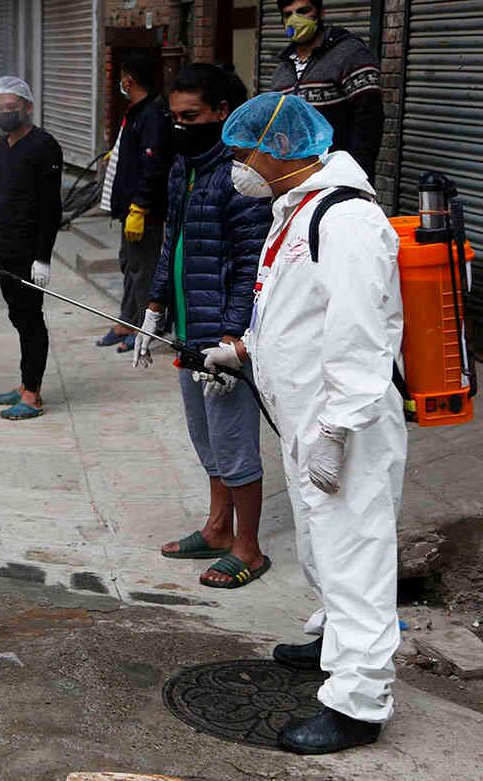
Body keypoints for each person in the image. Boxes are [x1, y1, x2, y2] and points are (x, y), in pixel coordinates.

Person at [213, 92, 405, 754]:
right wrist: (241, 351)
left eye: (242, 153)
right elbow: (297, 314)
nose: (237, 166)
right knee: (324, 545)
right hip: (308, 419)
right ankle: (333, 640)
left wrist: (338, 429)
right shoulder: (297, 211)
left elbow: (360, 336)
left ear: (276, 148)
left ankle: (359, 701)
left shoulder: (346, 221)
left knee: (357, 554)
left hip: (340, 425)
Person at [132, 64, 273, 589]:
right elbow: (172, 241)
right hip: (188, 327)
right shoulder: (183, 166)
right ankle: (217, 528)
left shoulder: (241, 176)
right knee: (205, 436)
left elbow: (251, 262)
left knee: (234, 440)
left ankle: (249, 547)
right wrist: (154, 306)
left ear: (221, 113)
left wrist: (237, 337)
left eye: (190, 117)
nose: (179, 126)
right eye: (173, 117)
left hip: (223, 335)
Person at [0, 76, 62, 420]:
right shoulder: (2, 148)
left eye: (11, 108)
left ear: (28, 107)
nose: (5, 114)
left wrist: (43, 258)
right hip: (5, 248)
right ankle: (25, 383)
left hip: (29, 250)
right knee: (17, 317)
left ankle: (32, 396)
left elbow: (51, 208)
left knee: (30, 320)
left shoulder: (44, 146)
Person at [98, 49, 172, 353]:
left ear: (128, 79)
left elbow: (153, 166)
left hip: (143, 210)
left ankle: (144, 327)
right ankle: (126, 320)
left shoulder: (153, 115)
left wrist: (141, 206)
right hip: (128, 207)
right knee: (129, 264)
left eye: (121, 77)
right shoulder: (137, 111)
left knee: (144, 268)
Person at [270, 0, 383, 181]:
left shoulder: (349, 54)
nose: (295, 19)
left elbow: (369, 119)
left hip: (339, 176)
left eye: (303, 11)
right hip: (297, 178)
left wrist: (356, 175)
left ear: (321, 13)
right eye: (288, 14)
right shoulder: (283, 68)